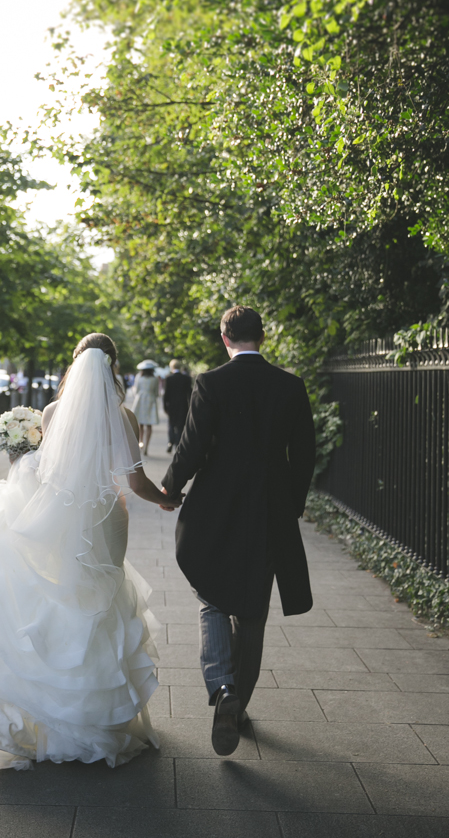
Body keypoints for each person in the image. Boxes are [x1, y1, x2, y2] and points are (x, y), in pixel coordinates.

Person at [0, 333, 182, 771]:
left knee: (62, 599)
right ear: (113, 366)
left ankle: (55, 717)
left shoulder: (54, 412)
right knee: (103, 604)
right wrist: (167, 498)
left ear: (74, 366)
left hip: (62, 516)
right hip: (107, 518)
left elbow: (47, 470)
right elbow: (134, 484)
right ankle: (101, 717)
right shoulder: (125, 416)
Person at [161, 306, 316, 756]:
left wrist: (171, 487)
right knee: (253, 611)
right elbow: (304, 454)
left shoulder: (211, 382)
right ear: (262, 337)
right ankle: (239, 705)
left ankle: (223, 688)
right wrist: (292, 506)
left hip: (216, 507)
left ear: (224, 337)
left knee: (211, 596)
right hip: (270, 509)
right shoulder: (290, 386)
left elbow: (191, 444)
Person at [163, 359, 192, 453]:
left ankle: (171, 441)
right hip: (183, 405)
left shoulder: (169, 378)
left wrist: (165, 406)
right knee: (180, 425)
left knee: (171, 424)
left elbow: (166, 393)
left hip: (172, 405)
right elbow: (190, 393)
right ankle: (178, 443)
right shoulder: (186, 378)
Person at [131, 360, 159, 456]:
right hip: (151, 401)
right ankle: (146, 446)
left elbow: (136, 390)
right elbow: (156, 392)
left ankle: (140, 443)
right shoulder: (155, 379)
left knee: (140, 425)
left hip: (141, 400)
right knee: (149, 425)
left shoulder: (139, 378)